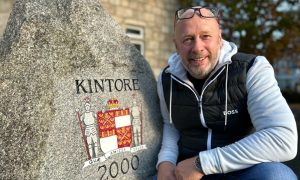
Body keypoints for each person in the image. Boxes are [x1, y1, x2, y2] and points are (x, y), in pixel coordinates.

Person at [156, 6, 298, 180]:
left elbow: (282, 138)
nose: (197, 47)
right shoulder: (166, 78)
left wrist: (202, 164)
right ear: (176, 46)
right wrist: (165, 162)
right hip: (186, 173)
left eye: (206, 36)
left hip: (241, 170)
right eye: (187, 39)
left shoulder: (252, 69)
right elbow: (170, 126)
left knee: (278, 176)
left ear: (220, 39)